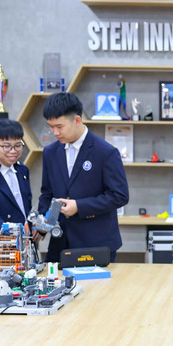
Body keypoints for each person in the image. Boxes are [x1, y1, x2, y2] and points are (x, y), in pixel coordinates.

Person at [39, 92, 129, 263]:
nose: (55, 132)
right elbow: (47, 193)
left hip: (96, 243)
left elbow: (120, 196)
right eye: (51, 126)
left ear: (77, 120)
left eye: (59, 126)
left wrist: (79, 206)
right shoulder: (50, 153)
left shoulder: (106, 152)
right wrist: (43, 222)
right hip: (60, 244)